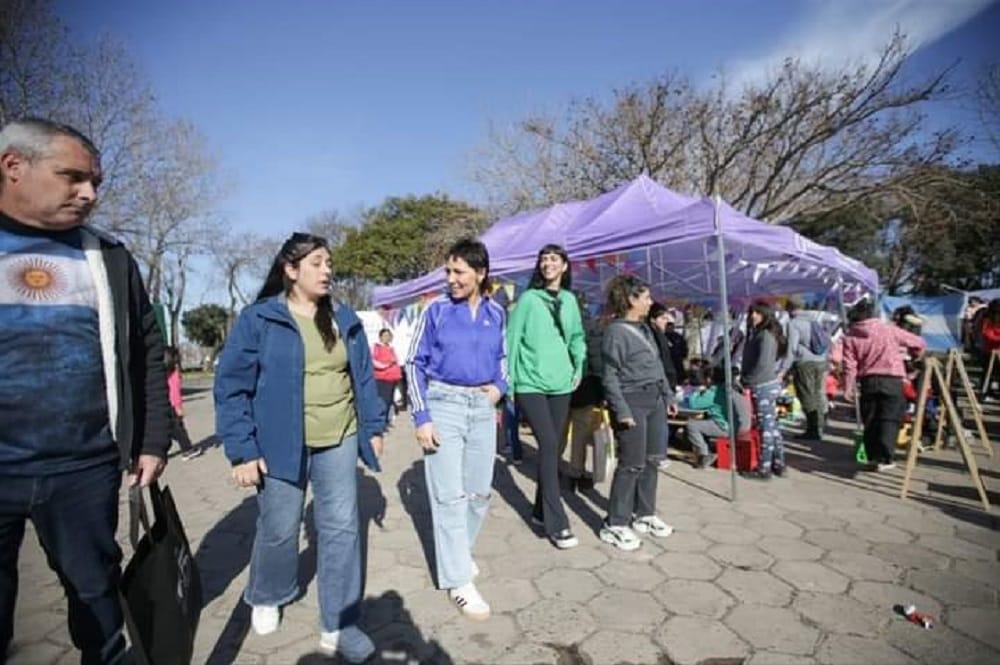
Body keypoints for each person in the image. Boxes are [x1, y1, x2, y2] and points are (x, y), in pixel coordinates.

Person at [0, 118, 170, 664]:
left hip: (85, 469)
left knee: (98, 600)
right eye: (72, 177)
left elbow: (147, 353)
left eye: (95, 181)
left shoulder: (111, 258)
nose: (90, 193)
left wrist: (151, 440)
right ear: (13, 167)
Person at [214, 233, 385, 662]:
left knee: (342, 529)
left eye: (329, 263)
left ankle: (340, 623)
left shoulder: (343, 317)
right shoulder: (260, 319)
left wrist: (374, 425)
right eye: (316, 263)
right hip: (280, 443)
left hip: (339, 437)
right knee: (279, 527)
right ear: (290, 270)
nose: (327, 270)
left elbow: (362, 377)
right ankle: (268, 593)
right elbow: (232, 386)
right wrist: (242, 449)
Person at [406, 238, 507, 620]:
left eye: (459, 271)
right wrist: (422, 417)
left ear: (480, 274)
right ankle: (458, 580)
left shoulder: (497, 313)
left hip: (482, 407)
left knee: (479, 493)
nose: (451, 279)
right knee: (448, 498)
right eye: (448, 271)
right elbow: (413, 362)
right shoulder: (435, 312)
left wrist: (500, 388)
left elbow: (504, 358)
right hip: (444, 404)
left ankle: (458, 556)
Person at [505, 244, 586, 549]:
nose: (547, 263)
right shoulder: (527, 300)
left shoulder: (569, 300)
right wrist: (509, 385)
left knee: (553, 449)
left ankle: (540, 511)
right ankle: (557, 522)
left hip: (562, 383)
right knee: (549, 444)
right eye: (543, 258)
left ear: (565, 266)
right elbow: (511, 340)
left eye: (554, 259)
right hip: (530, 383)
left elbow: (577, 337)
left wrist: (578, 364)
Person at [599, 275, 675, 551]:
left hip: (654, 398)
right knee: (631, 464)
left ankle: (644, 515)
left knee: (652, 460)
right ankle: (615, 523)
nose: (650, 302)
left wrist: (666, 395)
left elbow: (656, 365)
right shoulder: (615, 332)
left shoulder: (644, 329)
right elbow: (609, 376)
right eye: (646, 297)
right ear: (631, 300)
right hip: (632, 401)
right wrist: (621, 410)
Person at [841, 298, 926, 471]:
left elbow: (850, 365)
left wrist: (848, 387)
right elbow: (919, 342)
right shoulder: (889, 330)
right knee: (889, 419)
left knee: (871, 419)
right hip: (892, 379)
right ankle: (885, 458)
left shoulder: (850, 337)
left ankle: (872, 456)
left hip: (868, 381)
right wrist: (916, 354)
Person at [741, 301, 788, 480]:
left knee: (766, 428)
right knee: (772, 426)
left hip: (762, 386)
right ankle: (778, 463)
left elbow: (762, 364)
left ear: (765, 315)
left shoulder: (765, 336)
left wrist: (747, 380)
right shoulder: (761, 334)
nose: (753, 316)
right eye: (752, 312)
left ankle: (764, 468)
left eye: (757, 313)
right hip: (765, 384)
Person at [562, 292, 604, 490]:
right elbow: (597, 360)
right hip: (586, 386)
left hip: (560, 385)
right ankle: (576, 471)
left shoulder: (559, 323)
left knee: (558, 431)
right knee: (580, 433)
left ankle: (551, 468)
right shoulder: (593, 326)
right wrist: (602, 390)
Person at [685, 365, 752, 468]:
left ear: (708, 379)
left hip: (729, 428)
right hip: (745, 425)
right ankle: (706, 449)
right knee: (708, 420)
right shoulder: (733, 388)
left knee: (692, 425)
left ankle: (704, 455)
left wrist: (696, 391)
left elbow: (694, 404)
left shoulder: (714, 393)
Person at [784, 300, 828, 441]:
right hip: (821, 361)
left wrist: (784, 368)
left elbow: (792, 348)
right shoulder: (814, 319)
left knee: (806, 395)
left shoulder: (794, 323)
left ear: (789, 308)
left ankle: (813, 429)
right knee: (817, 393)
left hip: (805, 363)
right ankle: (820, 424)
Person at [647, 302, 680, 469]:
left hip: (666, 381)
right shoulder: (654, 335)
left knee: (661, 421)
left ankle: (659, 453)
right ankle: (659, 454)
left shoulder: (660, 334)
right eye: (662, 317)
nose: (666, 320)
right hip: (662, 382)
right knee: (660, 421)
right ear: (653, 319)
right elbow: (662, 363)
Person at [166, 345, 202, 460]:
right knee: (179, 431)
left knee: (165, 431)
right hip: (172, 406)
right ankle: (187, 450)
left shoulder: (160, 372)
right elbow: (175, 391)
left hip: (163, 406)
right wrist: (178, 407)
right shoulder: (174, 372)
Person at [372, 328, 403, 428]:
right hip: (381, 378)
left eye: (388, 336)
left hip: (392, 379)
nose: (387, 338)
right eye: (385, 335)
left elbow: (396, 361)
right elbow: (373, 361)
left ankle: (385, 421)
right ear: (380, 337)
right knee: (382, 401)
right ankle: (380, 422)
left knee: (389, 400)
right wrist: (386, 365)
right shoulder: (376, 347)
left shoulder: (391, 348)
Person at [979, 299, 1000, 400]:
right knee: (988, 372)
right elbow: (987, 334)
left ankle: (994, 391)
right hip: (989, 350)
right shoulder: (987, 320)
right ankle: (985, 392)